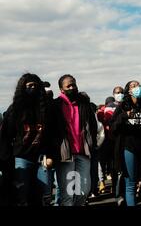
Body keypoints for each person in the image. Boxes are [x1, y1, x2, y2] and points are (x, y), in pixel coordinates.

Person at [1, 73, 53, 206]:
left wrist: (51, 155)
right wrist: (7, 160)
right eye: (30, 86)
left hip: (42, 157)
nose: (33, 88)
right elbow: (6, 136)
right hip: (21, 157)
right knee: (21, 194)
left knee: (45, 194)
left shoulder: (46, 109)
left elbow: (53, 134)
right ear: (22, 88)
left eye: (36, 85)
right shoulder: (14, 110)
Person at [49, 74, 97, 206]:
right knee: (67, 193)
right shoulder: (55, 106)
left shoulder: (84, 104)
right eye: (68, 85)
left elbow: (92, 126)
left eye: (74, 84)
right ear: (61, 89)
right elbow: (51, 131)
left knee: (84, 190)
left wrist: (92, 143)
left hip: (83, 152)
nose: (72, 87)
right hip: (65, 156)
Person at [110, 80, 141, 206]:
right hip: (128, 147)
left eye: (138, 85)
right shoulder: (122, 106)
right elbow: (113, 128)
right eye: (133, 86)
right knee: (131, 183)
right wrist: (123, 116)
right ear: (128, 90)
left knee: (139, 179)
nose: (137, 87)